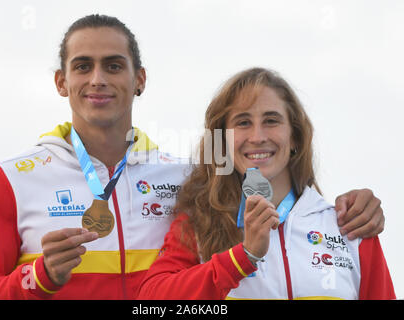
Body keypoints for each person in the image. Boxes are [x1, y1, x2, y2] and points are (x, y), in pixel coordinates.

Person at [0, 15, 386, 300]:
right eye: (83, 66)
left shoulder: (189, 181)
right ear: (60, 82)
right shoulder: (12, 179)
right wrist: (37, 279)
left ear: (139, 79)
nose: (98, 79)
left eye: (114, 65)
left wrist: (353, 207)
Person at [138, 67, 395, 300]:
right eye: (243, 123)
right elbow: (151, 300)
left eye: (271, 120)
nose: (258, 137)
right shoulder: (199, 224)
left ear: (294, 137)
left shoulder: (349, 226)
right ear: (223, 141)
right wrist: (243, 257)